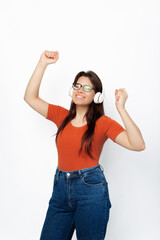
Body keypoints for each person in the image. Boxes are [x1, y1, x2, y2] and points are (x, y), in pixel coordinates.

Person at [24, 50, 145, 240]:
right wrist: (42, 63)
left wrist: (121, 108)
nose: (80, 90)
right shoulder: (61, 115)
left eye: (87, 88)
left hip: (90, 190)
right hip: (60, 190)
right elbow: (30, 98)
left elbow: (137, 144)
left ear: (97, 96)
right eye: (77, 85)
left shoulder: (103, 123)